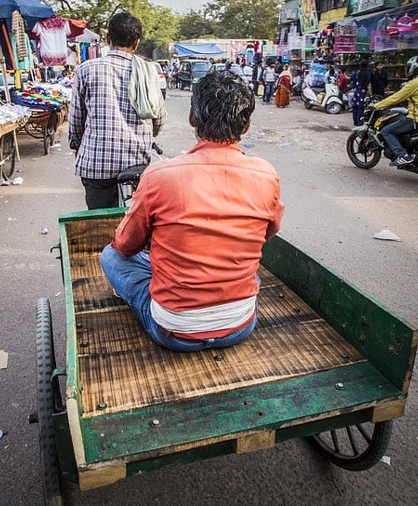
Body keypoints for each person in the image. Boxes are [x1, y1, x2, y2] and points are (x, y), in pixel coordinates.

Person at [100, 70, 284, 352]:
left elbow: (125, 245)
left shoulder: (159, 175)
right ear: (245, 126)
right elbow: (267, 232)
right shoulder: (267, 174)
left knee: (110, 256)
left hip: (173, 332)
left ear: (192, 118)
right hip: (241, 324)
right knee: (249, 274)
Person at [68, 11, 167, 209]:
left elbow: (76, 123)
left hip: (96, 165)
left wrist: (78, 146)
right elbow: (159, 119)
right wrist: (145, 135)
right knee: (139, 224)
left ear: (108, 38)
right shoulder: (148, 72)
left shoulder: (86, 69)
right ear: (136, 43)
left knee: (99, 224)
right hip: (136, 163)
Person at [371, 55, 418, 166]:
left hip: (416, 119)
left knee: (386, 131)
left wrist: (377, 105)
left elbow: (396, 97)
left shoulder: (415, 83)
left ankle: (402, 155)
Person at [350, 60, 372, 126]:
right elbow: (369, 84)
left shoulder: (357, 73)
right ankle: (360, 122)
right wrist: (370, 93)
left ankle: (355, 122)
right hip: (363, 92)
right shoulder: (368, 73)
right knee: (361, 107)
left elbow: (352, 80)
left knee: (355, 107)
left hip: (356, 92)